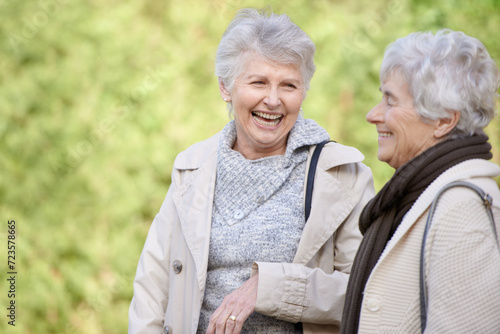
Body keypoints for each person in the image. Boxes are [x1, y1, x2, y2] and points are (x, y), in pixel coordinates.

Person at [129, 8, 375, 334]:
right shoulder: (193, 168)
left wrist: (267, 287)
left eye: (288, 85)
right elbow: (152, 288)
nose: (272, 100)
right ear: (225, 88)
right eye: (258, 82)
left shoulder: (341, 175)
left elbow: (365, 292)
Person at [341, 29, 500, 333]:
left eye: (390, 101)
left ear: (443, 121)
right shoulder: (419, 195)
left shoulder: (461, 209)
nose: (372, 114)